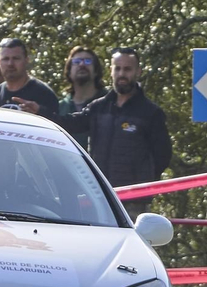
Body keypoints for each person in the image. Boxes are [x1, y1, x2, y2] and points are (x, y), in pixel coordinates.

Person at [23, 48, 173, 210]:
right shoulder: (99, 107)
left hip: (134, 201)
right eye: (118, 68)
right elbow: (71, 123)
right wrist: (40, 112)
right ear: (111, 70)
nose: (122, 74)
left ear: (138, 72)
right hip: (100, 197)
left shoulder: (150, 113)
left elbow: (163, 155)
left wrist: (143, 181)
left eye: (127, 69)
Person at [0, 37, 61, 113]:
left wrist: (40, 111)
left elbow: (56, 122)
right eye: (6, 59)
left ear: (26, 60)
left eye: (16, 58)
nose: (10, 64)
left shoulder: (44, 94)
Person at [58, 45, 105, 149]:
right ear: (69, 71)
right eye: (77, 61)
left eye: (88, 61)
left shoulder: (108, 103)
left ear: (96, 71)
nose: (82, 64)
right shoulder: (60, 108)